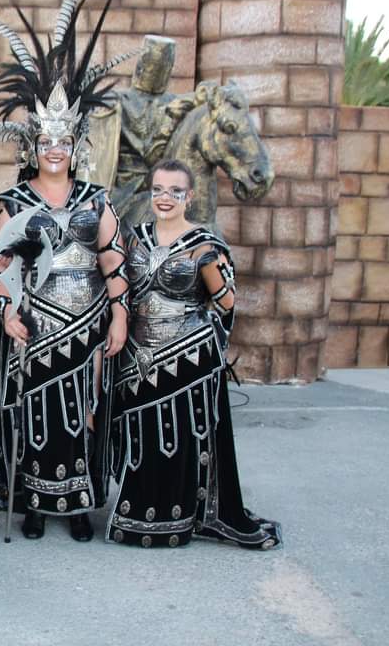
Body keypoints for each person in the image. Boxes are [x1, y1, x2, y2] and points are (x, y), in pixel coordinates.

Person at [0, 0, 134, 542]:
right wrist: (5, 314)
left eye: (64, 142)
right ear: (34, 146)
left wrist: (119, 315)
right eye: (45, 141)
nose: (55, 149)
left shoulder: (97, 200)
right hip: (35, 321)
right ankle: (36, 504)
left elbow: (111, 258)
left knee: (83, 412)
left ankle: (79, 505)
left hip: (88, 320)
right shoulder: (12, 201)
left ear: (75, 145)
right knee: (34, 415)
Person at [105, 159, 281, 549]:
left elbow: (227, 303)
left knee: (183, 436)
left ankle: (182, 514)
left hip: (188, 357)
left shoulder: (205, 245)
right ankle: (140, 511)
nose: (165, 198)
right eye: (158, 190)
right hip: (138, 355)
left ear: (190, 196)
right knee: (144, 435)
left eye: (175, 192)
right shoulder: (136, 237)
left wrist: (207, 346)